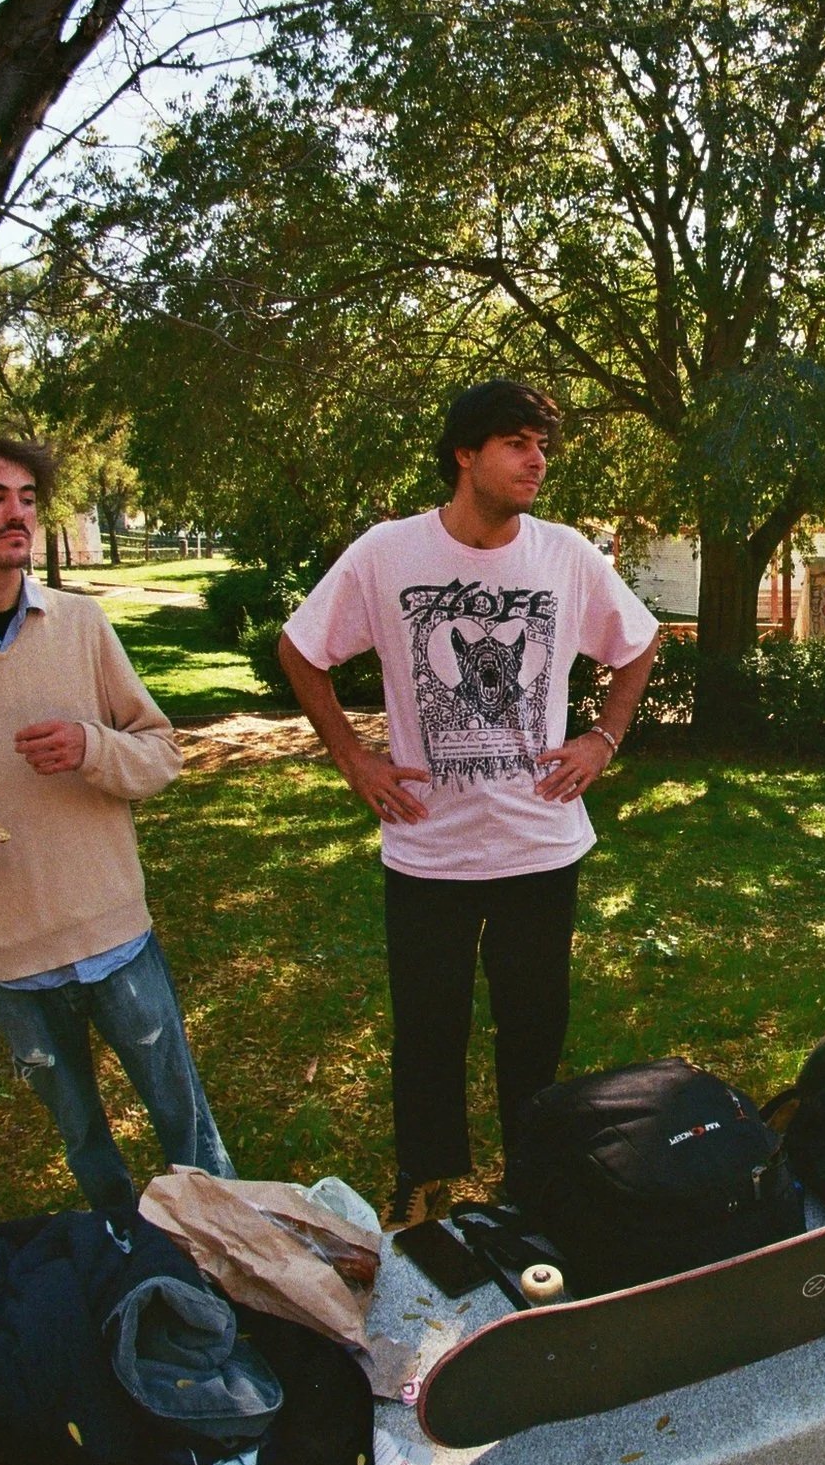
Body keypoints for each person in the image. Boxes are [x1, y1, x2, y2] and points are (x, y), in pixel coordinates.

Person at [277, 380, 660, 1229]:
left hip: (539, 844)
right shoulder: (387, 554)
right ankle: (425, 1180)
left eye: (542, 445)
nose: (537, 460)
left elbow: (637, 643)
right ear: (464, 453)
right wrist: (352, 757)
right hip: (429, 847)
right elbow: (301, 648)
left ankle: (532, 1179)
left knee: (533, 1031)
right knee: (427, 1030)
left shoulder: (565, 555)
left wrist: (603, 738)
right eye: (517, 443)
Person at [0, 438, 234, 1212]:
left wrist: (91, 746)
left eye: (28, 498)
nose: (19, 513)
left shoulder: (82, 625)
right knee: (85, 1142)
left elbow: (161, 753)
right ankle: (123, 1252)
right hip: (11, 964)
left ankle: (230, 1250)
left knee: (188, 1129)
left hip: (116, 938)